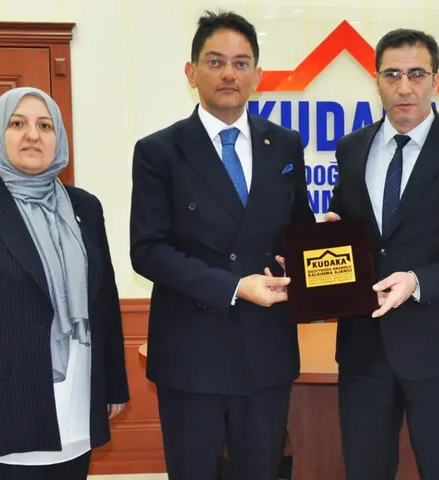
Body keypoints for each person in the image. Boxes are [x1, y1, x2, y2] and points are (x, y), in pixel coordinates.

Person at [129, 10, 315, 480]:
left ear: (258, 75)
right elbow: (148, 250)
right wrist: (233, 287)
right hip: (191, 353)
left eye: (241, 62)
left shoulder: (285, 144)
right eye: (215, 62)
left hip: (266, 350)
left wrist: (322, 240)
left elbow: (296, 230)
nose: (229, 73)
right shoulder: (159, 151)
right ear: (191, 73)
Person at [323, 28, 439, 479]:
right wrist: (322, 248)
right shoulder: (351, 149)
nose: (404, 87)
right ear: (377, 81)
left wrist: (418, 282)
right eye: (392, 74)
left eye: (417, 74)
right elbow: (349, 235)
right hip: (363, 350)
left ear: (435, 81)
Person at [0, 87, 130, 480]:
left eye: (45, 126)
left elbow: (104, 301)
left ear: (59, 137)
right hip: (0, 407)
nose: (32, 135)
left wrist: (113, 386)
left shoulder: (85, 207)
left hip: (77, 397)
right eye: (17, 124)